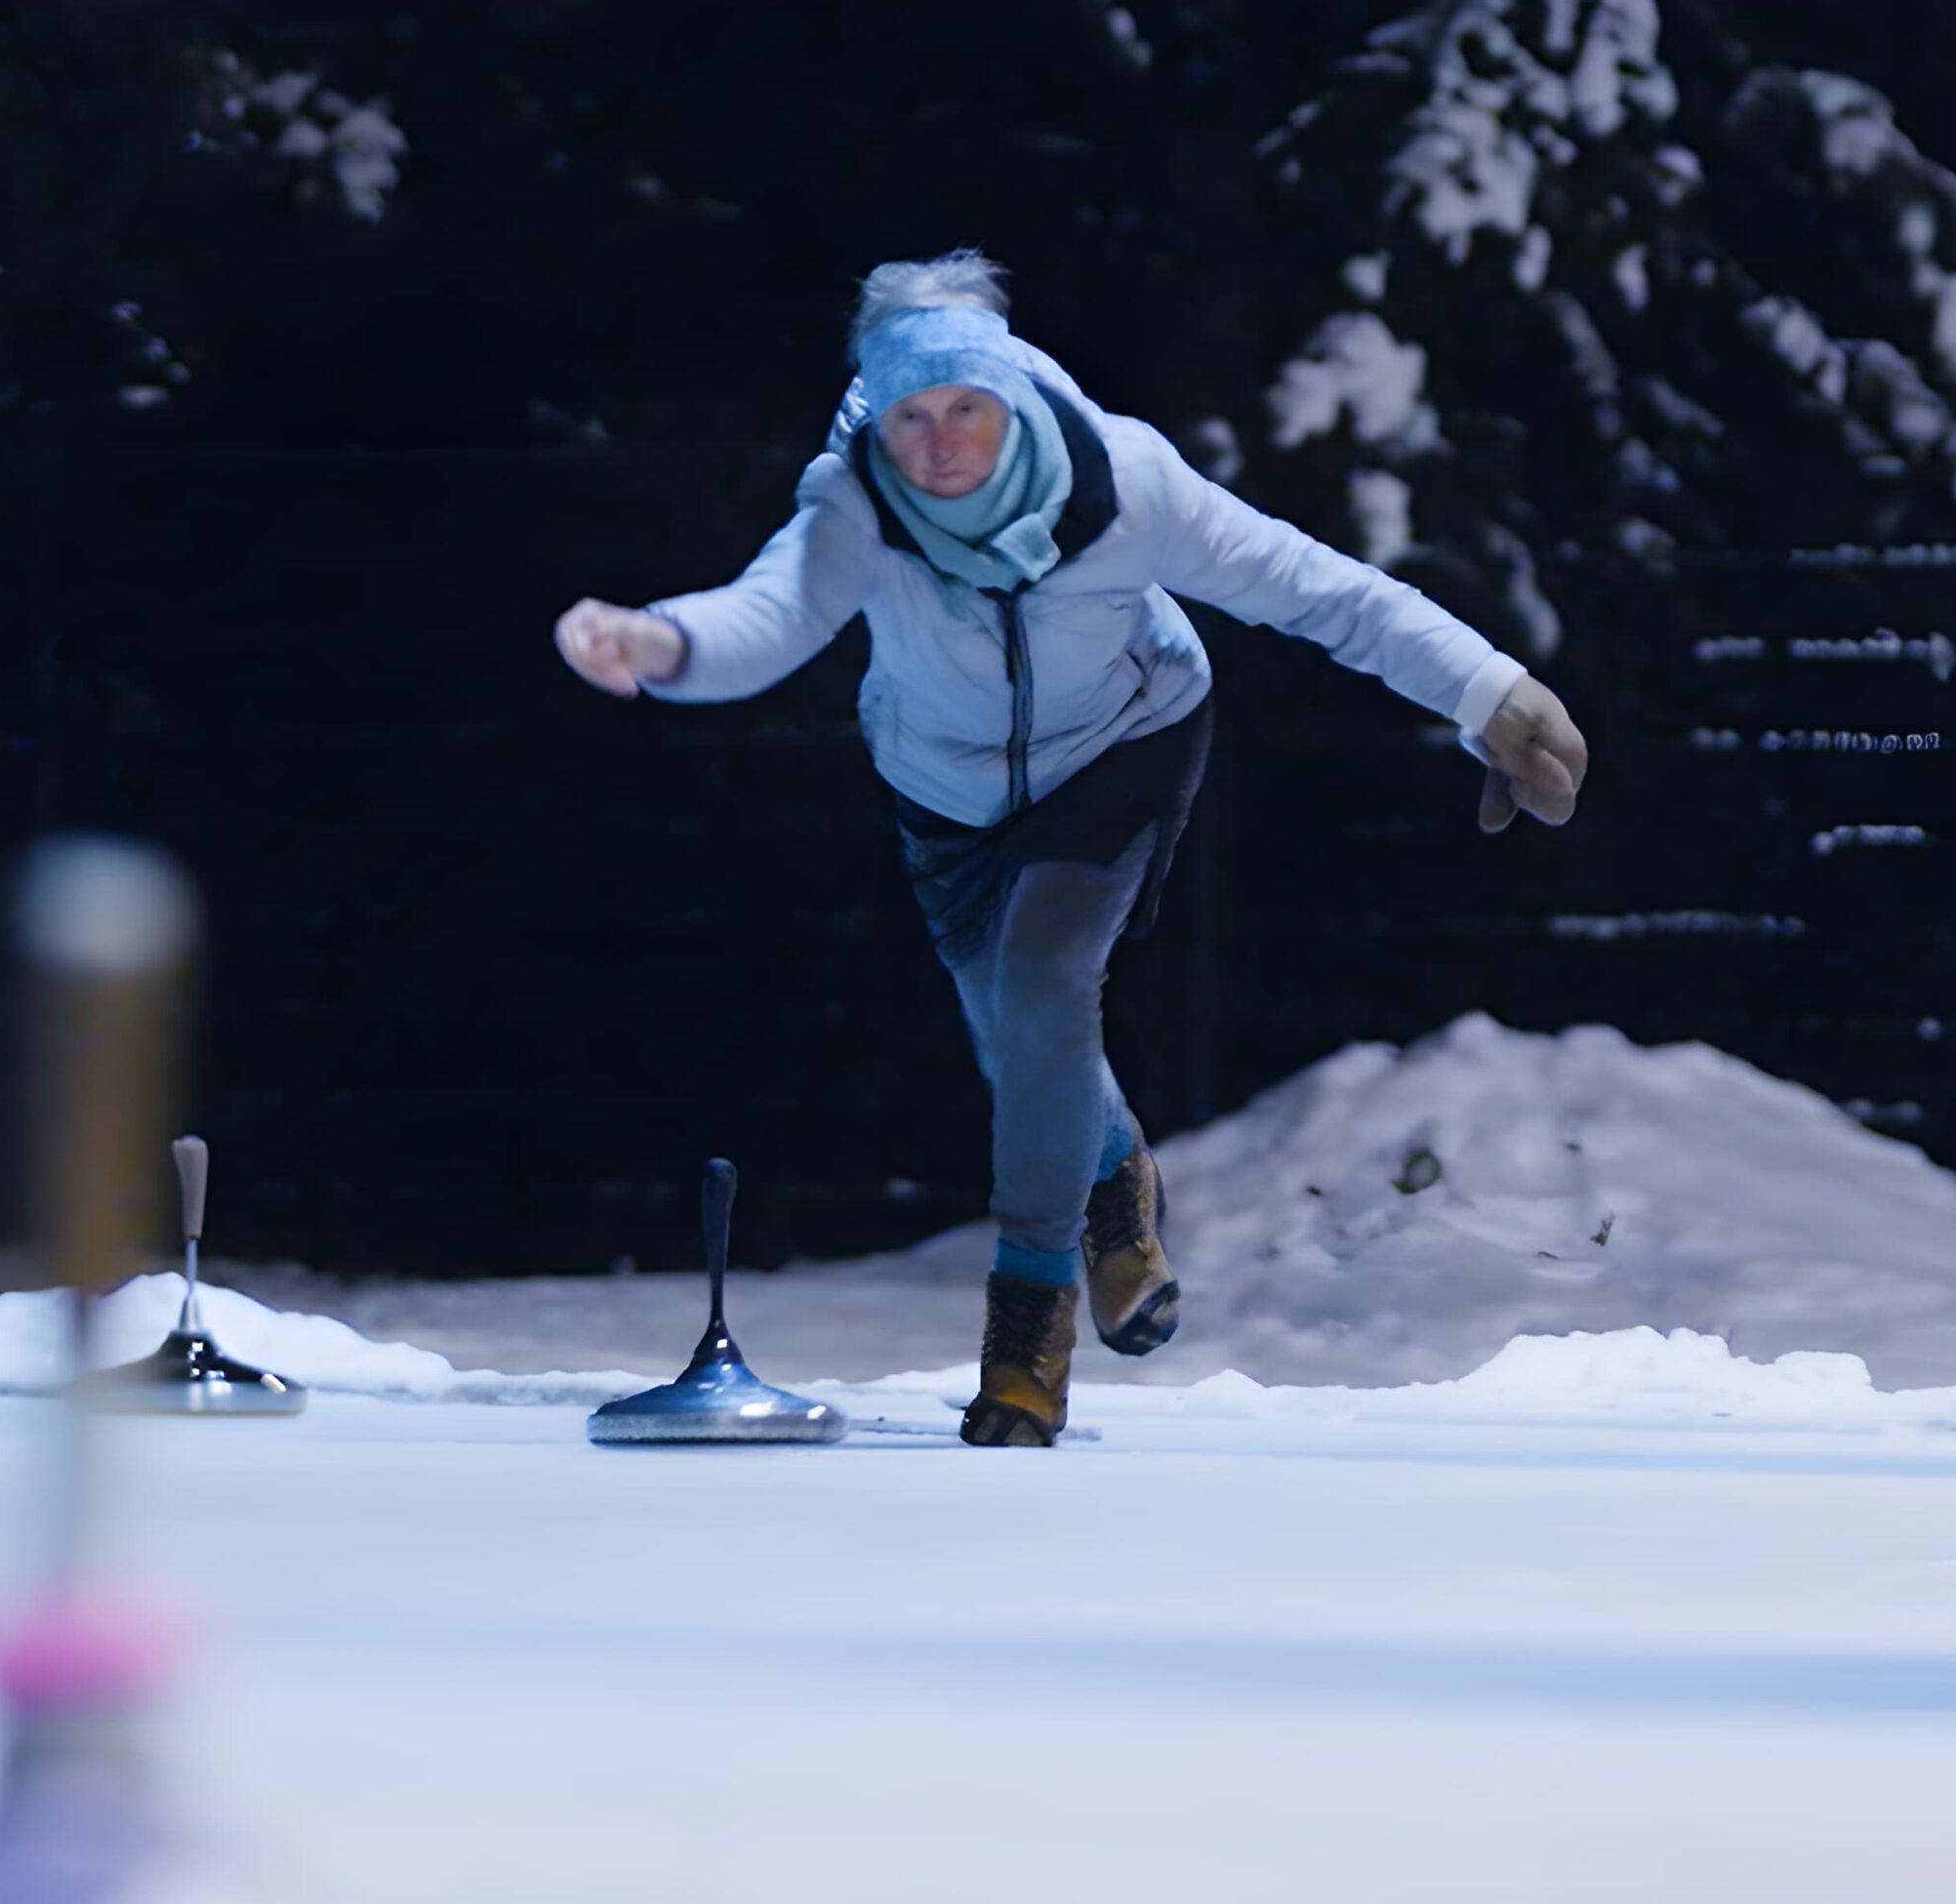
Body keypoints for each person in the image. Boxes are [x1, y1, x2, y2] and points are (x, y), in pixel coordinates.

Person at [553, 250, 1587, 1446]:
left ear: (1011, 400)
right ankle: (1116, 1181)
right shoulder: (855, 506)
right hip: (943, 788)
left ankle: (1025, 1333)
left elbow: (1320, 590)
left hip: (1123, 746)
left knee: (1046, 980)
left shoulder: (1124, 478)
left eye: (966, 413)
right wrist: (656, 643)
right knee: (1019, 1041)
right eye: (909, 419)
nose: (939, 445)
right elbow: (766, 615)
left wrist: (1492, 692)